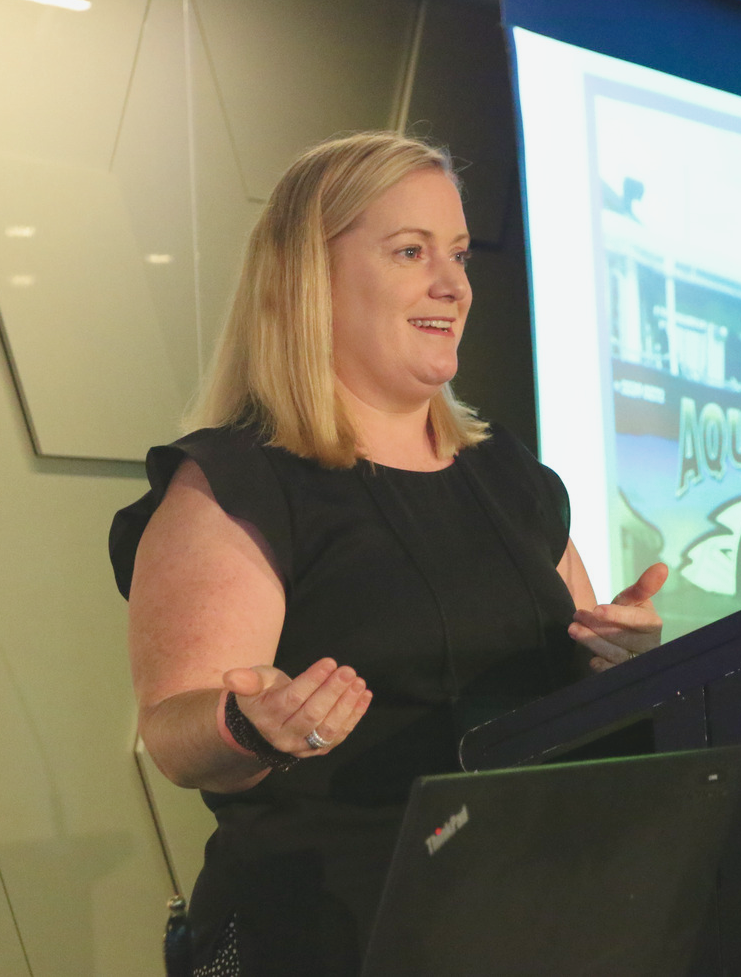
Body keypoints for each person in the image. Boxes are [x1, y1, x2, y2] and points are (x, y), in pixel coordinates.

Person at [109, 131, 667, 977]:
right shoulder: (237, 483)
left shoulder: (510, 479)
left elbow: (568, 696)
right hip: (330, 936)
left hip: (532, 922)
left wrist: (613, 659)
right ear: (308, 279)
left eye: (459, 255)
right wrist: (251, 724)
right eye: (410, 252)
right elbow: (176, 732)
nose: (453, 285)